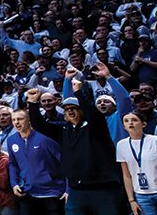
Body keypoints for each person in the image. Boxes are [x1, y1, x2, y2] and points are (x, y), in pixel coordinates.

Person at [24, 71, 124, 215]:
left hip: (103, 190)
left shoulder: (96, 126)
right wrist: (33, 103)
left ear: (82, 110)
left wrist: (78, 92)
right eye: (66, 109)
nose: (70, 112)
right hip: (77, 191)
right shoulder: (63, 129)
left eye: (74, 109)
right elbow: (40, 125)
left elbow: (92, 113)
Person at [5, 106, 65, 215]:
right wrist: (14, 183)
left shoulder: (45, 139)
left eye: (20, 119)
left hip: (51, 192)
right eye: (14, 119)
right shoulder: (11, 140)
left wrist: (67, 189)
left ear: (29, 120)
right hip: (28, 192)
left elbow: (64, 162)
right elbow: (13, 164)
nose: (16, 123)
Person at [116, 112, 157, 215]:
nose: (130, 123)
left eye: (134, 120)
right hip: (141, 195)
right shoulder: (121, 145)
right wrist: (131, 200)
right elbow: (127, 176)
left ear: (143, 124)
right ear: (123, 126)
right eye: (126, 121)